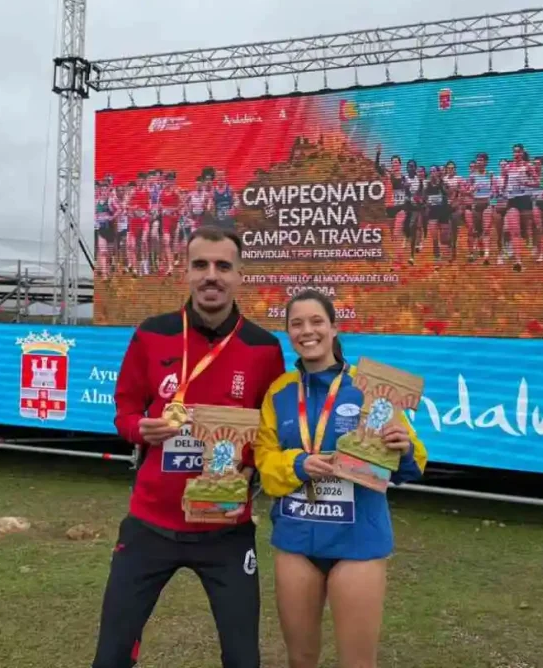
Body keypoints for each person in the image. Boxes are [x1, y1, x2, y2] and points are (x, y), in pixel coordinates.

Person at [92, 225, 287, 668]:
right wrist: (142, 428)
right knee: (110, 656)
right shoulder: (151, 334)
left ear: (239, 275)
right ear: (186, 272)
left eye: (223, 266)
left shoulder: (264, 348)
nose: (211, 275)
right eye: (201, 265)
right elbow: (123, 412)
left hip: (225, 530)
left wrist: (248, 466)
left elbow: (271, 434)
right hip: (149, 525)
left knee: (243, 660)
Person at [254, 289, 428, 668]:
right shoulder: (279, 392)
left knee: (357, 663)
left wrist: (403, 449)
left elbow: (413, 463)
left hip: (357, 544)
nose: (307, 331)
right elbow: (264, 463)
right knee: (300, 659)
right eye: (296, 324)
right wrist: (299, 464)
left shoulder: (371, 386)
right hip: (297, 542)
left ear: (334, 327)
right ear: (288, 333)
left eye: (317, 321)